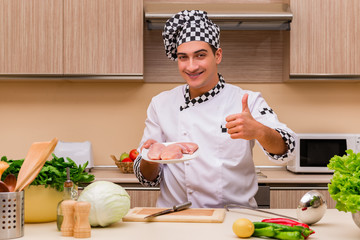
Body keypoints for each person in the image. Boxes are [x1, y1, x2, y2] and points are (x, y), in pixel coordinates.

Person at [133, 10, 296, 208]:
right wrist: (151, 157)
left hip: (232, 219)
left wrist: (259, 131)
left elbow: (288, 150)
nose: (191, 66)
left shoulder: (247, 100)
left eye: (200, 56)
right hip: (174, 218)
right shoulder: (161, 104)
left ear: (217, 55)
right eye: (183, 57)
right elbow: (147, 178)